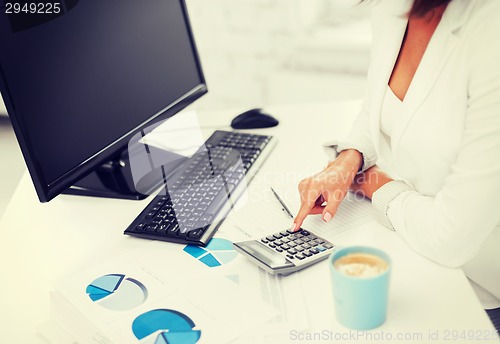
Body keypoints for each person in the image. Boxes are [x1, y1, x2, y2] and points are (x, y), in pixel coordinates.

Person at [292, 0, 500, 332]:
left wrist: (374, 184)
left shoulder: (491, 31)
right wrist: (349, 159)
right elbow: (378, 109)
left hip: (481, 289)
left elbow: (452, 238)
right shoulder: (393, 7)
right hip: (415, 252)